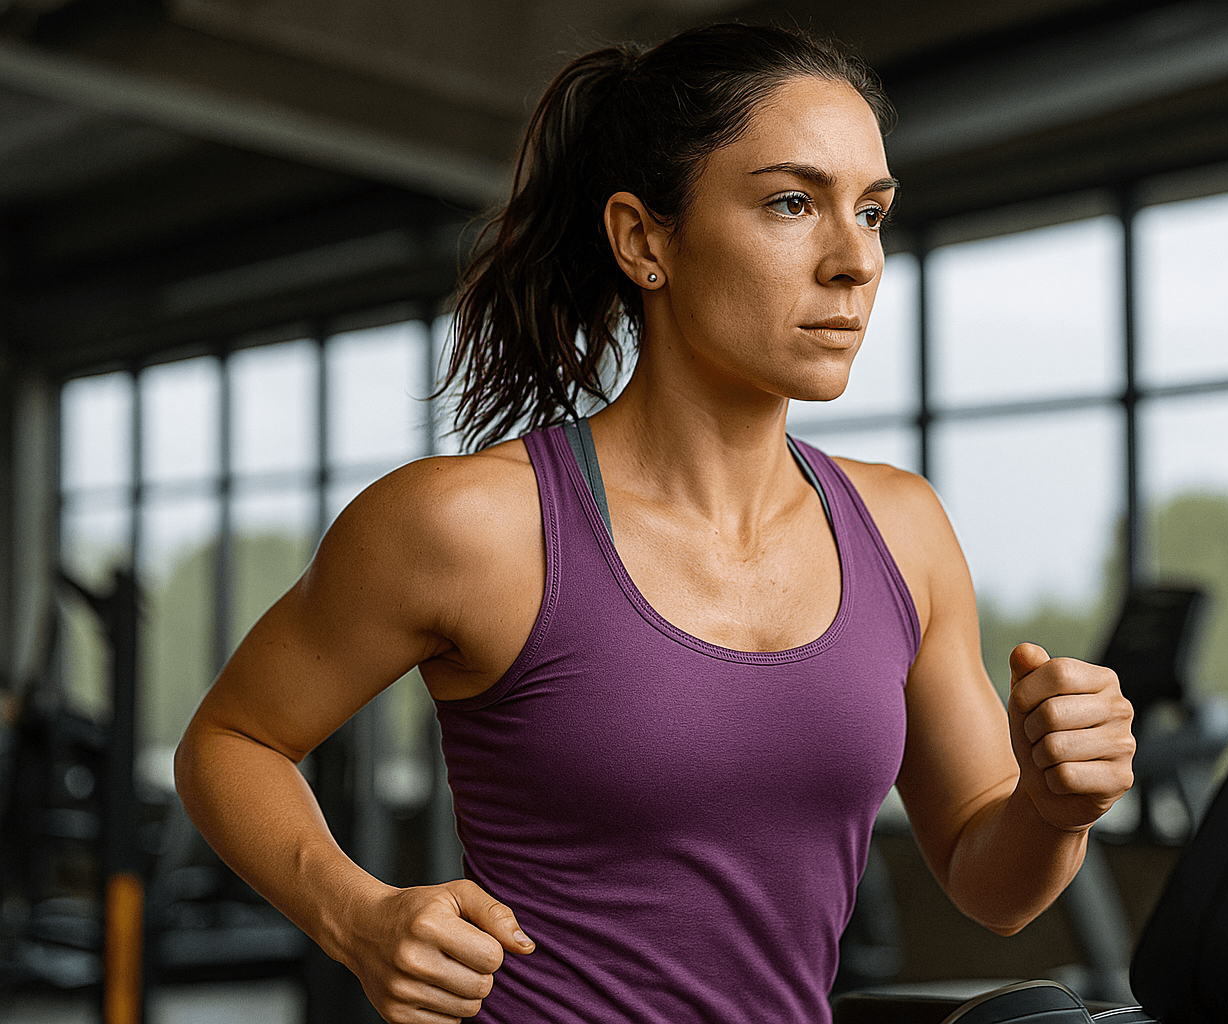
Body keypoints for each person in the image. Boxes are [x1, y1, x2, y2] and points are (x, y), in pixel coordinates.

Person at [174, 23, 1135, 1024]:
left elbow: (994, 883)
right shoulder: (471, 525)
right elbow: (230, 738)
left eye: (874, 211)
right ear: (644, 240)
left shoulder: (904, 528)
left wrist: (1055, 806)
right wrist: (355, 916)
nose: (855, 261)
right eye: (793, 203)